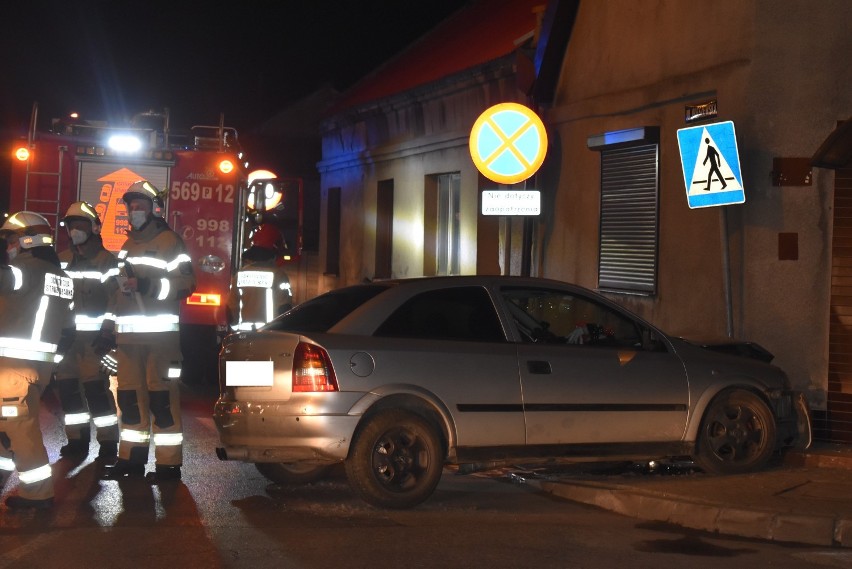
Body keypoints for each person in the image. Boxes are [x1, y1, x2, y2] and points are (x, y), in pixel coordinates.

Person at [99, 180, 196, 483]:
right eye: (130, 206)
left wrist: (146, 285)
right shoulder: (127, 247)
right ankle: (131, 459)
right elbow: (116, 294)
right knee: (129, 400)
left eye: (139, 205)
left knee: (161, 400)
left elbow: (186, 284)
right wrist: (106, 328)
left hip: (160, 339)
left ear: (154, 209)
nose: (134, 210)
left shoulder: (170, 242)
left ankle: (168, 465)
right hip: (128, 339)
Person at [0, 212, 75, 510]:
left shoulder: (21, 271)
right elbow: (68, 329)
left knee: (18, 427)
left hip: (13, 365)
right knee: (8, 427)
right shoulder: (62, 278)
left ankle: (38, 492)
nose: (9, 246)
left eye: (11, 239)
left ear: (27, 239)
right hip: (37, 366)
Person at [55, 201, 120, 461]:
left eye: (80, 225)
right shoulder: (61, 260)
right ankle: (77, 440)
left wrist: (108, 333)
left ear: (93, 228)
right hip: (67, 341)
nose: (75, 230)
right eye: (72, 226)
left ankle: (107, 445)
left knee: (97, 393)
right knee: (68, 390)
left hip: (94, 341)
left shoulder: (106, 261)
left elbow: (116, 301)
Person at [227, 224, 293, 332]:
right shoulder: (279, 276)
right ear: (275, 251)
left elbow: (231, 309)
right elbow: (285, 310)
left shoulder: (240, 275)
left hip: (242, 336)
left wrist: (235, 331)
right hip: (268, 336)